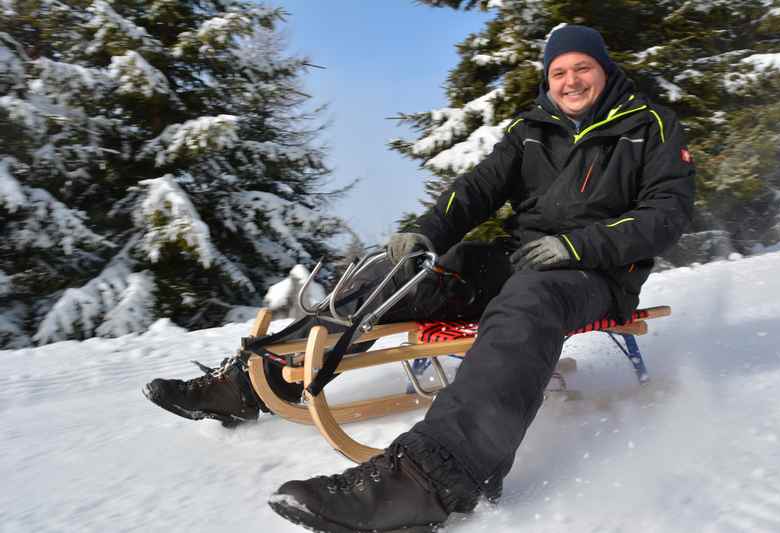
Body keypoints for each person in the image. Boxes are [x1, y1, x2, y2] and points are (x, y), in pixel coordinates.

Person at [145, 25, 695, 532]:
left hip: (596, 270)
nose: (570, 80)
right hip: (524, 255)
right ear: (548, 79)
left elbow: (666, 215)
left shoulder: (649, 126)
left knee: (529, 298)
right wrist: (424, 235)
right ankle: (251, 381)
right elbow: (476, 189)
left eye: (581, 68)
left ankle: (436, 477)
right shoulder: (532, 130)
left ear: (604, 69)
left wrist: (578, 245)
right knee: (400, 273)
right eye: (558, 72)